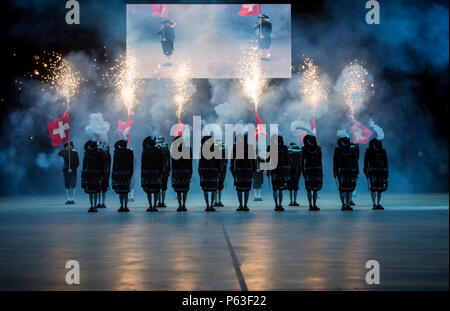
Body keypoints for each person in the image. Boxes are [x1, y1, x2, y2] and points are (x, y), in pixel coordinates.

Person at [231, 133, 256, 211]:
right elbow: (253, 161)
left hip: (240, 170)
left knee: (240, 189)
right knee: (245, 189)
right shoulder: (249, 147)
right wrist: (253, 171)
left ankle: (242, 205)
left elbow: (232, 160)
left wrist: (232, 170)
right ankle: (244, 205)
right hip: (246, 170)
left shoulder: (236, 147)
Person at [333, 137, 359, 211]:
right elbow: (335, 161)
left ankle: (347, 204)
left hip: (350, 171)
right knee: (342, 188)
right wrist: (334, 171)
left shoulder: (351, 150)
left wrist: (357, 171)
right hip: (341, 171)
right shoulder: (337, 150)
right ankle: (343, 204)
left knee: (349, 188)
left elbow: (355, 160)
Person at [364, 138, 388, 210]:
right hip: (372, 171)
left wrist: (386, 174)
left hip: (381, 171)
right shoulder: (369, 151)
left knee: (380, 188)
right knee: (373, 188)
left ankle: (379, 203)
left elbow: (386, 163)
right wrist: (366, 171)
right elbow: (366, 162)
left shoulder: (383, 151)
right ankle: (374, 203)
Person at [198, 136, 221, 212]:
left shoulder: (202, 149)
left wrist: (199, 170)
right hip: (213, 171)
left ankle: (208, 205)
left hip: (205, 171)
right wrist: (219, 171)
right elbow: (218, 161)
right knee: (213, 188)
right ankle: (211, 205)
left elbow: (200, 161)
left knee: (205, 189)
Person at [267, 135, 289, 211]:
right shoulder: (270, 147)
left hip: (282, 170)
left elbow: (287, 159)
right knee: (275, 188)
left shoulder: (284, 148)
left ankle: (279, 204)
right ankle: (276, 204)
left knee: (280, 189)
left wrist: (287, 170)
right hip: (274, 170)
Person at [141, 136, 163, 212]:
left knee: (149, 191)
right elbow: (161, 163)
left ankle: (151, 206)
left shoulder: (145, 151)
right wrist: (161, 173)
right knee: (154, 190)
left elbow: (143, 164)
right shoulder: (157, 150)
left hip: (148, 173)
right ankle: (153, 206)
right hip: (155, 173)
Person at [81, 140, 104, 213]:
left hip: (89, 174)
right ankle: (94, 205)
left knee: (91, 191)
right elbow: (101, 165)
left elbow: (84, 165)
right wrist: (102, 174)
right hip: (95, 174)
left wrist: (83, 174)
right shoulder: (99, 153)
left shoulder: (87, 153)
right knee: (95, 191)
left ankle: (92, 205)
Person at [171, 135, 192, 212]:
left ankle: (180, 205)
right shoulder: (188, 149)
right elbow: (190, 162)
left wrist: (172, 171)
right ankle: (183, 205)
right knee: (185, 190)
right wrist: (191, 172)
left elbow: (172, 162)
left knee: (178, 191)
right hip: (186, 172)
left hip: (177, 172)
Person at [112, 140, 134, 212]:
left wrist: (114, 174)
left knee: (122, 192)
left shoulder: (117, 152)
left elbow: (114, 165)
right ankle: (124, 206)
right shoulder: (129, 152)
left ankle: (123, 206)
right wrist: (130, 173)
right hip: (125, 174)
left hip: (121, 174)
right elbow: (131, 165)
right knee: (124, 192)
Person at [301, 135, 323, 211]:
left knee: (311, 189)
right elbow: (302, 161)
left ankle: (311, 205)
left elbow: (320, 161)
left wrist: (302, 171)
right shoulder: (316, 149)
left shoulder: (305, 149)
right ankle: (312, 204)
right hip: (312, 171)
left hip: (312, 171)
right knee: (312, 189)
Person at [156, 136, 170, 208]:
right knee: (162, 187)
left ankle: (160, 202)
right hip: (163, 170)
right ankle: (161, 202)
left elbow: (168, 160)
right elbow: (168, 161)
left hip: (161, 170)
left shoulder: (157, 149)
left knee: (161, 187)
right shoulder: (165, 148)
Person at [287, 142, 302, 207]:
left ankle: (291, 201)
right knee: (295, 187)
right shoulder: (298, 152)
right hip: (296, 171)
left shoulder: (288, 152)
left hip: (291, 171)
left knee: (291, 188)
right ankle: (294, 201)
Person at [97, 142, 111, 209]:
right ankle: (98, 202)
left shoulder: (108, 155)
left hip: (105, 173)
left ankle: (103, 202)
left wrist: (108, 175)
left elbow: (109, 165)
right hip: (99, 173)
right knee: (98, 189)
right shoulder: (98, 153)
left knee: (104, 189)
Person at [214, 141, 228, 207]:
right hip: (218, 171)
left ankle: (217, 201)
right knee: (217, 186)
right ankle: (217, 201)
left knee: (218, 186)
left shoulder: (223, 153)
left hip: (220, 171)